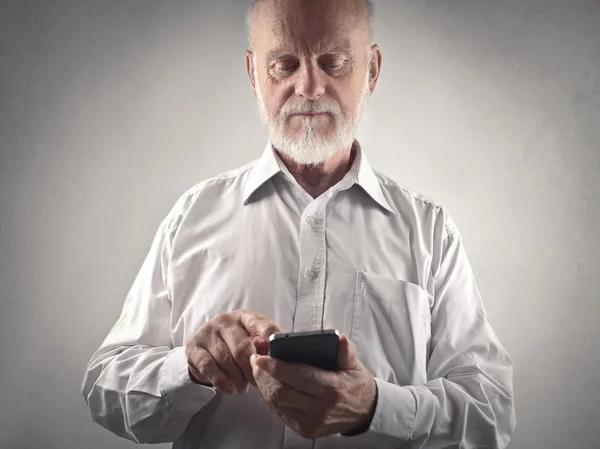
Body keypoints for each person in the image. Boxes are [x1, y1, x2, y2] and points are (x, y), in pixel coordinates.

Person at [81, 0, 516, 448]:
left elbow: (491, 415)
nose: (309, 87)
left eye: (334, 62)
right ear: (254, 74)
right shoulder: (190, 218)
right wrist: (188, 368)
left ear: (371, 69)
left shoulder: (430, 232)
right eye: (284, 65)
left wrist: (374, 407)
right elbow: (103, 390)